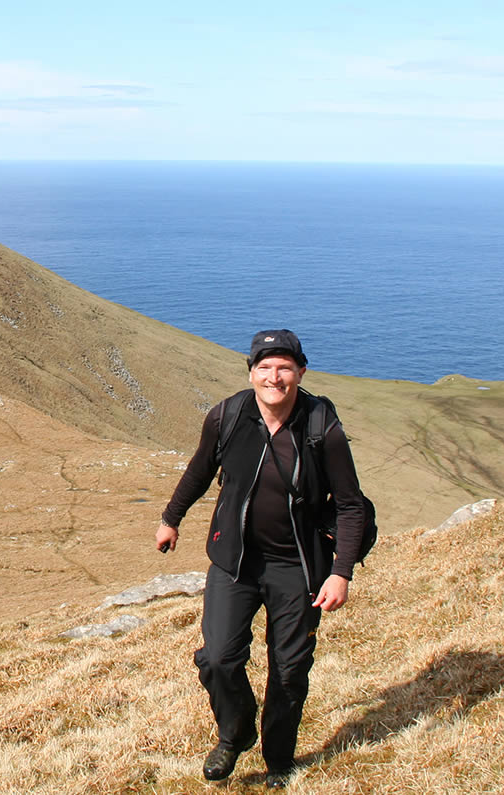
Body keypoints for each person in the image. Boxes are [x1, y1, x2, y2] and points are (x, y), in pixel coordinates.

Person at [155, 329, 366, 789]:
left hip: (297, 567)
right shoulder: (227, 416)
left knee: (289, 670)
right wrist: (171, 519)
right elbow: (199, 470)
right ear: (251, 372)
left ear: (301, 372)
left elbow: (351, 504)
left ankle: (279, 760)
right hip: (235, 563)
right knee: (216, 659)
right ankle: (234, 733)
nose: (275, 377)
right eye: (265, 368)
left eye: (285, 368)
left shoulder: (320, 426)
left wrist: (340, 572)